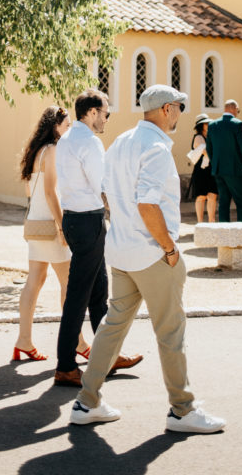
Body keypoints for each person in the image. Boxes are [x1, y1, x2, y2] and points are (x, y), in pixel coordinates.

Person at [69, 85, 226, 435]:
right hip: (152, 254)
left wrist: (126, 228)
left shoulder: (122, 141)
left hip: (122, 251)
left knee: (113, 326)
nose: (181, 114)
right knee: (171, 331)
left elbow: (108, 192)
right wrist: (169, 248)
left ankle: (86, 401)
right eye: (179, 108)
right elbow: (148, 204)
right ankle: (182, 410)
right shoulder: (155, 148)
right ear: (168, 109)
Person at [53, 89, 142, 387]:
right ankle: (65, 365)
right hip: (88, 221)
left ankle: (109, 354)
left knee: (98, 292)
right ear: (91, 112)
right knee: (79, 296)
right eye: (106, 112)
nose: (107, 118)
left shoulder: (65, 139)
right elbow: (102, 184)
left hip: (74, 219)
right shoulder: (89, 142)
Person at [13, 106, 91, 362]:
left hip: (36, 223)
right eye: (66, 126)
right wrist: (61, 226)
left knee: (34, 281)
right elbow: (50, 192)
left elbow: (30, 191)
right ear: (55, 126)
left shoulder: (35, 151)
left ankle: (24, 340)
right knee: (69, 283)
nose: (68, 131)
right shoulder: (54, 150)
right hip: (50, 224)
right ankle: (78, 342)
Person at [205, 99, 242, 222]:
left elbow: (209, 148)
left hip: (219, 170)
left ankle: (224, 232)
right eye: (238, 110)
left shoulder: (212, 125)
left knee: (223, 203)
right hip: (236, 169)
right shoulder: (237, 124)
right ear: (233, 109)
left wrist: (215, 163)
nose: (238, 113)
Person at [187, 113, 218, 222]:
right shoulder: (198, 137)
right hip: (201, 171)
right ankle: (200, 222)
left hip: (211, 169)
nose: (208, 124)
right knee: (201, 197)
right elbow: (205, 151)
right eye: (206, 123)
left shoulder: (211, 136)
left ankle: (211, 221)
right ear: (201, 125)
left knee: (212, 196)